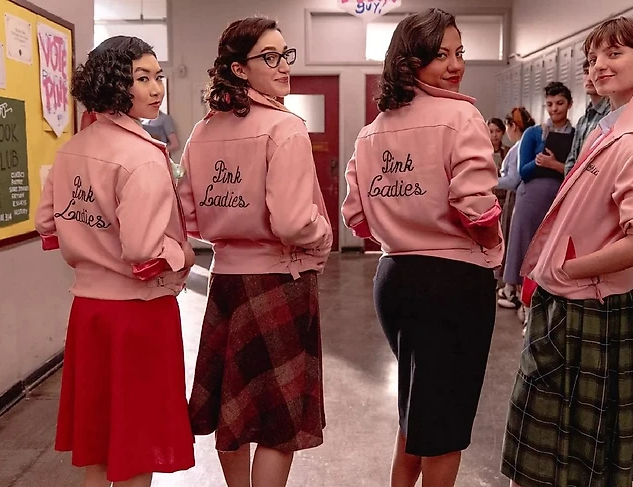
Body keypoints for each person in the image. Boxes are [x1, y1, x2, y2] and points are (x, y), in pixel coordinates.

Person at [501, 17, 633, 487]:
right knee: (562, 457)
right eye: (594, 57)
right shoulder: (609, 123)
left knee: (574, 460)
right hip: (572, 298)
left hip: (590, 306)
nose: (599, 65)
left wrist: (566, 269)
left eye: (614, 54)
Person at [342, 9, 502, 487]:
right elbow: (476, 208)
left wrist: (400, 226)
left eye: (459, 52)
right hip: (453, 283)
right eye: (440, 55)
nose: (455, 65)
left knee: (417, 407)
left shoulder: (372, 131)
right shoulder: (461, 116)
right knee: (445, 423)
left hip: (394, 280)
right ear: (410, 62)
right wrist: (492, 246)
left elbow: (356, 216)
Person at [178, 17, 332, 487]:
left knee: (235, 409)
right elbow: (292, 222)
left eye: (285, 55)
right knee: (278, 423)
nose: (283, 66)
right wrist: (322, 234)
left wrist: (230, 228)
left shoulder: (202, 131)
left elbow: (189, 217)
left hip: (226, 281)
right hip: (279, 282)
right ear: (240, 69)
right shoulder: (285, 128)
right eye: (269, 57)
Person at [35, 36, 195, 487]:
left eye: (158, 76)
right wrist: (181, 253)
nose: (156, 88)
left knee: (100, 447)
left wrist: (89, 243)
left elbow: (46, 223)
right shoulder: (143, 157)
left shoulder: (71, 148)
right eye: (141, 78)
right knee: (137, 447)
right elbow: (144, 250)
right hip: (139, 315)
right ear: (114, 84)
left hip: (88, 311)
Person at [499, 82, 574, 322]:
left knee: (550, 250)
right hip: (530, 197)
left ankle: (547, 301)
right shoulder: (534, 133)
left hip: (558, 197)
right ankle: (524, 300)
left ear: (570, 104)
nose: (555, 109)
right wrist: (540, 160)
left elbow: (576, 170)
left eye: (560, 103)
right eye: (549, 104)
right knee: (525, 247)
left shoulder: (575, 134)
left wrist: (555, 165)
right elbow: (523, 171)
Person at [495, 107, 535, 299]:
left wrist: (489, 181)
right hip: (517, 197)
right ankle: (512, 285)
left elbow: (513, 179)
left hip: (517, 197)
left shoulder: (519, 147)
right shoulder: (522, 145)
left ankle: (513, 287)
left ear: (512, 126)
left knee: (514, 241)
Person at [564, 60, 611, 175]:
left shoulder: (611, 115)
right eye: (586, 72)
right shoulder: (582, 120)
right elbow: (572, 158)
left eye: (594, 72)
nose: (589, 78)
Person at [488, 117, 510, 209]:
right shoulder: (482, 152)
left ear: (503, 132)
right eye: (491, 131)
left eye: (498, 131)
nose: (494, 135)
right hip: (487, 196)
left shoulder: (509, 152)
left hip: (504, 197)